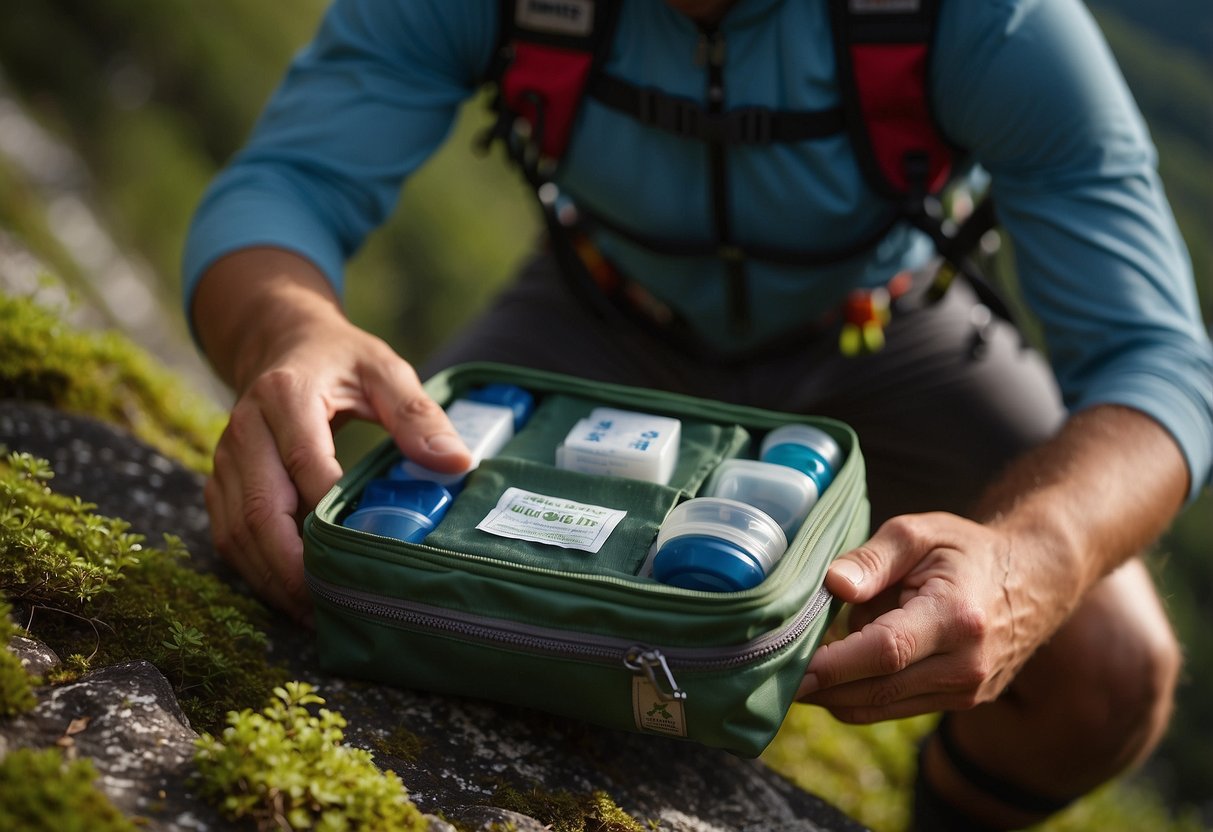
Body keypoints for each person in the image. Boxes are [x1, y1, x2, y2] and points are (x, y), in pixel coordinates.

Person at [182, 1, 1212, 829]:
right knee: (347, 542)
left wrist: (1035, 554)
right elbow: (287, 186)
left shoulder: (989, 20)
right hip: (597, 313)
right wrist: (285, 332)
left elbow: (1158, 361)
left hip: (892, 339)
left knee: (1109, 677)